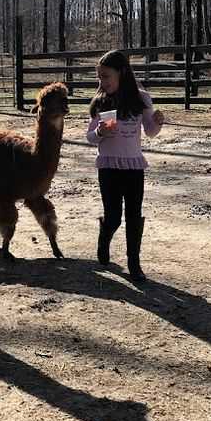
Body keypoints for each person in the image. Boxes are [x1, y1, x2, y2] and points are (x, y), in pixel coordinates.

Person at [86, 50, 164, 280]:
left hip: (134, 167)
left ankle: (134, 263)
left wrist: (158, 122)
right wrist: (100, 131)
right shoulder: (101, 102)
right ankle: (105, 236)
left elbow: (150, 131)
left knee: (134, 214)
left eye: (106, 76)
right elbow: (90, 136)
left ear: (121, 73)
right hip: (108, 168)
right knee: (113, 217)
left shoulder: (141, 99)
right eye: (99, 77)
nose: (102, 82)